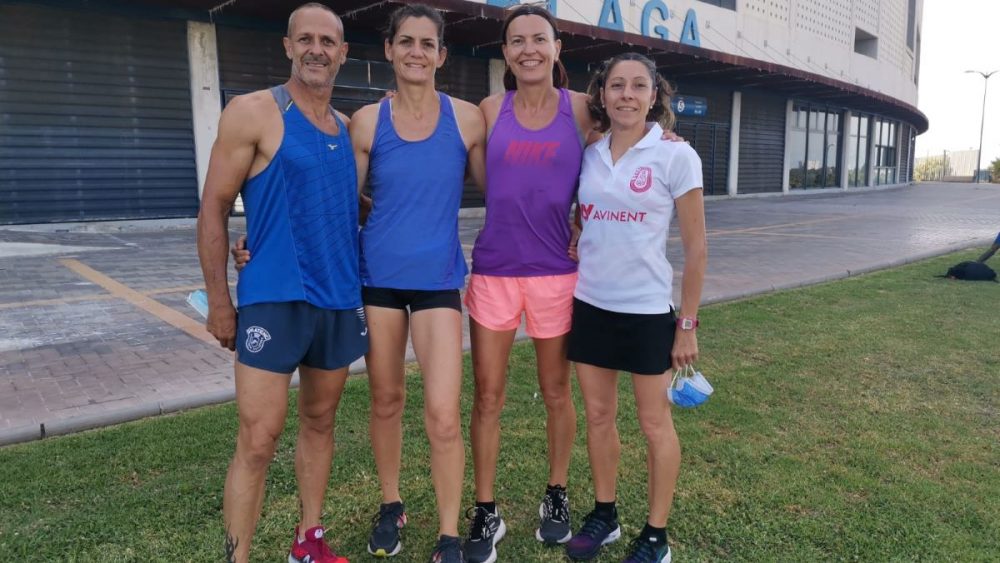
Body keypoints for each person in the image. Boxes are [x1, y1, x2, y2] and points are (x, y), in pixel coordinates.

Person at [234, 5, 485, 562]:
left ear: (442, 55)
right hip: (375, 282)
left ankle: (448, 534)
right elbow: (331, 198)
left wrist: (577, 212)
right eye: (406, 42)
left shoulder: (469, 119)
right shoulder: (365, 123)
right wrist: (258, 241)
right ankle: (391, 504)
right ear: (389, 50)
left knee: (443, 413)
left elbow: (515, 180)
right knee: (386, 399)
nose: (417, 52)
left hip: (439, 281)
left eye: (428, 43)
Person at [462, 7, 682, 563]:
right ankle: (485, 509)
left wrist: (665, 131)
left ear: (557, 47)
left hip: (559, 277)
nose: (528, 48)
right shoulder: (491, 110)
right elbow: (477, 177)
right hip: (494, 270)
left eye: (539, 38)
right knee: (487, 396)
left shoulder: (582, 108)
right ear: (506, 52)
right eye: (517, 41)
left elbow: (629, 132)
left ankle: (556, 495)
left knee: (558, 393)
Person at [196, 4, 364, 563]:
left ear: (343, 52)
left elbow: (346, 208)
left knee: (320, 422)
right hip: (274, 299)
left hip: (339, 300)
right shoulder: (253, 112)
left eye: (329, 41)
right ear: (288, 46)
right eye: (307, 39)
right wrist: (220, 303)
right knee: (258, 438)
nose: (318, 49)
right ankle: (236, 557)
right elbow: (214, 209)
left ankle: (308, 541)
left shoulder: (344, 127)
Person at [562, 53, 707, 563]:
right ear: (601, 95)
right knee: (599, 417)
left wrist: (685, 325)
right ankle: (605, 515)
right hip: (592, 306)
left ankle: (656, 536)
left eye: (638, 86)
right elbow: (586, 216)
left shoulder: (676, 156)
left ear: (654, 95)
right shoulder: (589, 150)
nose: (626, 94)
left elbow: (696, 249)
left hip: (648, 312)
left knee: (654, 425)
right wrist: (580, 234)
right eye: (616, 85)